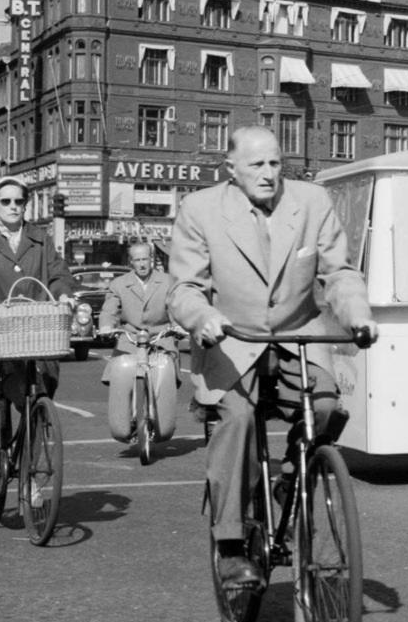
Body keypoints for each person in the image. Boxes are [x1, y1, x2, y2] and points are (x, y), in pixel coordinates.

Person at [168, 127, 376, 586]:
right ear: (231, 169)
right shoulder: (200, 209)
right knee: (238, 420)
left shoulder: (312, 201)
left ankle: (292, 476)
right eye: (257, 165)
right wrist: (201, 318)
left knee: (325, 407)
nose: (268, 174)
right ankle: (229, 545)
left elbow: (339, 272)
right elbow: (183, 287)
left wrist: (358, 316)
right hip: (230, 340)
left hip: (298, 336)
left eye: (275, 164)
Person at [0, 179, 78, 441]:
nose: (13, 206)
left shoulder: (40, 238)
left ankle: (35, 411)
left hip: (36, 322)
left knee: (48, 367)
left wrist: (65, 295)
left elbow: (58, 273)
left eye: (19, 201)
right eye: (6, 201)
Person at [99, 240, 181, 444]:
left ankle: (163, 419)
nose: (142, 264)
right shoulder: (118, 284)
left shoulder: (168, 281)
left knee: (166, 370)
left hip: (161, 338)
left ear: (152, 259)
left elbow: (175, 308)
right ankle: (124, 422)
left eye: (146, 259)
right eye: (137, 260)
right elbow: (110, 310)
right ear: (131, 262)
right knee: (120, 372)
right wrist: (107, 326)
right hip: (130, 340)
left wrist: (178, 326)